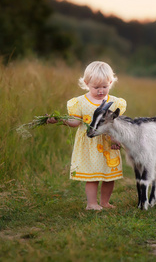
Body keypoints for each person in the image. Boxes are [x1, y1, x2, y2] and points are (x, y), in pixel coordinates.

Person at [47, 61, 127, 210]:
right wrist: (59, 120)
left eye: (105, 86)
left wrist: (116, 138)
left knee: (110, 176)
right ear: (86, 83)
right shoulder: (80, 102)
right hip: (89, 146)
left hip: (108, 144)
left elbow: (118, 124)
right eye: (96, 87)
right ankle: (91, 204)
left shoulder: (115, 102)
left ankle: (105, 202)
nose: (101, 91)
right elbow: (75, 122)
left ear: (110, 82)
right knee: (92, 176)